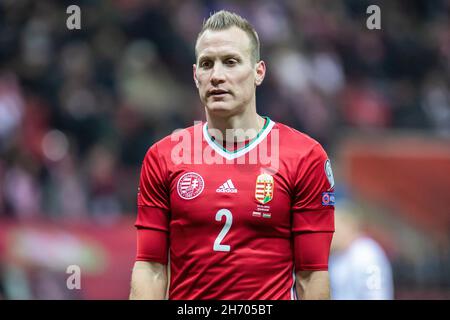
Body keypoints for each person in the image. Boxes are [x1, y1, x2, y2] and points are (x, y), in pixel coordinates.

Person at [129, 10, 335, 300]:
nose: (217, 76)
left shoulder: (305, 157)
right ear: (195, 75)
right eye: (206, 64)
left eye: (230, 62)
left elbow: (311, 274)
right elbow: (150, 267)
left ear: (259, 72)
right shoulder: (163, 157)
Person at [329, 202, 394, 300]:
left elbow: (376, 294)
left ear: (348, 226)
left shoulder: (367, 253)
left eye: (332, 228)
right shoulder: (335, 256)